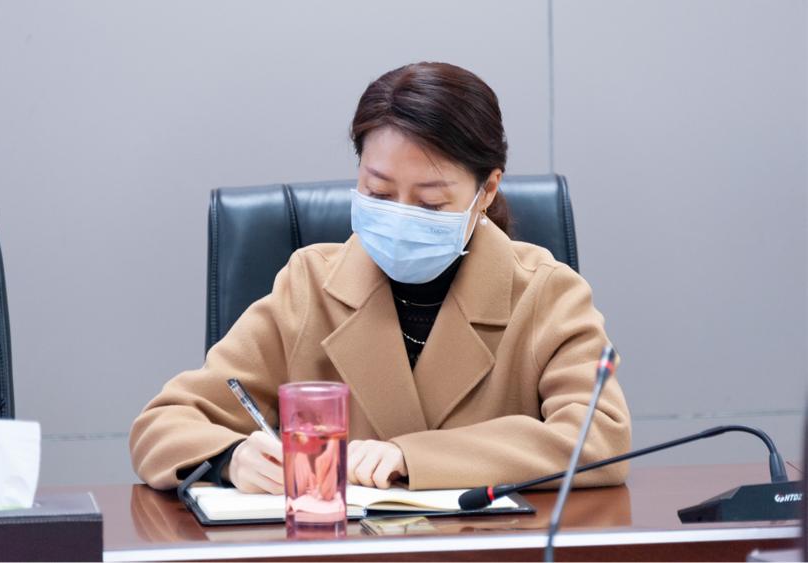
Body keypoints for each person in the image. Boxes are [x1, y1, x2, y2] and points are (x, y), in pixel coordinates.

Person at [129, 62, 631, 494]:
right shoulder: (309, 286)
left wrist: (413, 457)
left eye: (431, 202)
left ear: (487, 189)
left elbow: (600, 437)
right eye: (379, 193)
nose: (401, 216)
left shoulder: (546, 292)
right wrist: (230, 458)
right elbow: (164, 424)